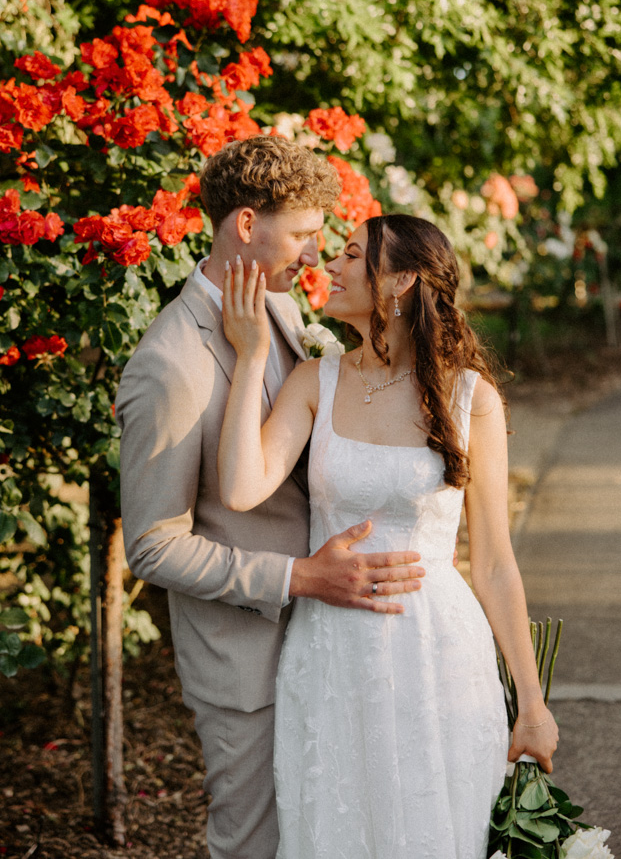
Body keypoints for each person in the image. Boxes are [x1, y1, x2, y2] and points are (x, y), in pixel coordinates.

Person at [115, 138, 427, 859]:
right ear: (248, 226)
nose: (317, 256)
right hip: (244, 667)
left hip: (327, 641)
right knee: (253, 845)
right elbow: (153, 545)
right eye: (304, 237)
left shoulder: (283, 314)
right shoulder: (171, 364)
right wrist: (298, 578)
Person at [218, 213, 559, 859]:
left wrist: (533, 703)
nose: (331, 266)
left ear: (400, 280)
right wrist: (251, 354)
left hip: (438, 656)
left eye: (351, 255)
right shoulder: (313, 382)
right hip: (329, 656)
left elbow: (493, 566)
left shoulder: (470, 400)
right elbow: (240, 486)